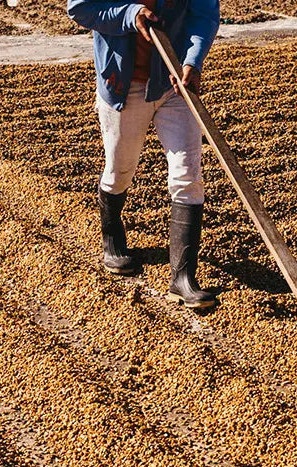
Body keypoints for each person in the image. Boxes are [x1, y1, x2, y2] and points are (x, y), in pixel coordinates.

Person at [66, 0, 220, 309]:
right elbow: (80, 8)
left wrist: (193, 61)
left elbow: (204, 14)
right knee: (120, 169)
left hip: (172, 81)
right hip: (124, 84)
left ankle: (183, 279)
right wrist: (129, 14)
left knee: (188, 174)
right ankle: (112, 239)